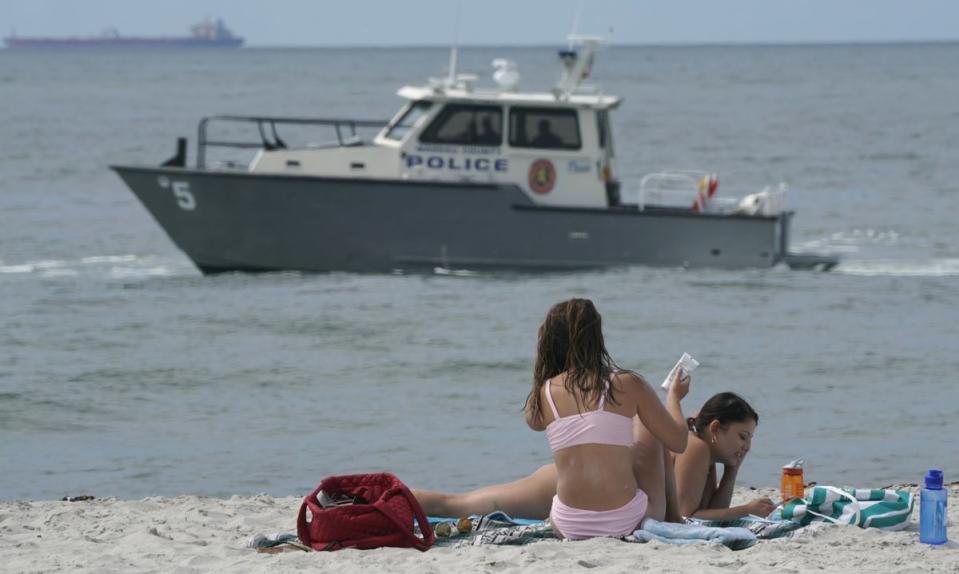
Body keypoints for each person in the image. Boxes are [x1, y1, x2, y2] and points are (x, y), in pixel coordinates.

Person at [413, 298, 692, 537]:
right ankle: (675, 519)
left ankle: (398, 495)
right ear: (597, 340)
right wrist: (674, 399)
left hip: (568, 523)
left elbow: (534, 422)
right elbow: (678, 442)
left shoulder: (544, 392)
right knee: (647, 424)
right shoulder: (630, 384)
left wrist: (549, 374)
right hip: (623, 521)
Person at [672, 392, 776, 521]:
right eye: (743, 436)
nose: (747, 447)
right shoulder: (696, 447)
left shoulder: (707, 451)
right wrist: (746, 510)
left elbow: (711, 511)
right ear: (715, 428)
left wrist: (732, 470)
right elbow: (685, 517)